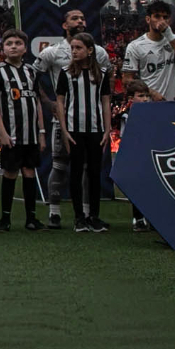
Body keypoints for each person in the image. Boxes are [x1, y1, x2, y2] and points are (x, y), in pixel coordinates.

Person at [33, 9, 112, 229]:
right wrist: (49, 103)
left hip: (93, 123)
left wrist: (107, 126)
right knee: (60, 166)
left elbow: (106, 89)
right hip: (66, 121)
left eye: (83, 18)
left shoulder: (100, 54)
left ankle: (88, 214)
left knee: (90, 170)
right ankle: (55, 212)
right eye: (74, 18)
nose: (80, 21)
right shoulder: (53, 52)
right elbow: (34, 75)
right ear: (65, 25)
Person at [0, 29, 47, 232]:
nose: (13, 46)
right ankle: (5, 219)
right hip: (11, 133)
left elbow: (37, 101)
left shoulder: (31, 71)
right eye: (9, 43)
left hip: (31, 133)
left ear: (25, 47)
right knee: (11, 172)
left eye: (18, 43)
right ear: (3, 48)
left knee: (29, 172)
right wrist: (2, 132)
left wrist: (41, 132)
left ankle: (31, 218)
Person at [56, 33, 112, 233]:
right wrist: (63, 129)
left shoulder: (102, 73)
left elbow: (105, 102)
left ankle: (94, 216)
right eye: (72, 48)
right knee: (76, 172)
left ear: (90, 50)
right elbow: (60, 102)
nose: (74, 51)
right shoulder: (66, 72)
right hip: (74, 128)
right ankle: (79, 217)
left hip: (95, 129)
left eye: (78, 48)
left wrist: (107, 129)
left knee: (95, 173)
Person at [122, 0, 175, 102]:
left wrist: (169, 36)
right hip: (150, 103)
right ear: (148, 19)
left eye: (165, 17)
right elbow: (127, 80)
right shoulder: (135, 46)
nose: (162, 21)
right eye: (157, 16)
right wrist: (151, 92)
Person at [119, 79, 151, 232]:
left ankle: (152, 219)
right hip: (136, 156)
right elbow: (125, 137)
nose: (145, 99)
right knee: (139, 188)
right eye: (141, 95)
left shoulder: (154, 114)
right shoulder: (126, 116)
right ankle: (138, 218)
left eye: (146, 95)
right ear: (131, 98)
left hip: (151, 155)